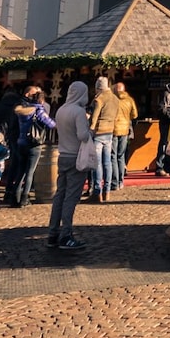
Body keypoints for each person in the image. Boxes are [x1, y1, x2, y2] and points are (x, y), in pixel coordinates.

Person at [49, 80, 93, 250]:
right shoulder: (79, 112)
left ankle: (53, 232)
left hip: (63, 154)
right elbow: (82, 135)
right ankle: (66, 234)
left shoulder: (61, 110)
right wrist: (91, 132)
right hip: (76, 157)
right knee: (71, 197)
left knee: (59, 195)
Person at [89, 78, 119, 203]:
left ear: (98, 87)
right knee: (108, 162)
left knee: (97, 163)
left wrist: (90, 129)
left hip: (99, 132)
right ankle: (107, 191)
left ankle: (97, 192)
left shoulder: (99, 99)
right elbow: (116, 115)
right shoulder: (115, 99)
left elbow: (94, 118)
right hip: (110, 131)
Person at [110, 80, 136, 190]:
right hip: (125, 130)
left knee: (113, 156)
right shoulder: (129, 100)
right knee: (121, 156)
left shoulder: (112, 100)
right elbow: (134, 115)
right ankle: (121, 181)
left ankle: (115, 182)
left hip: (114, 129)